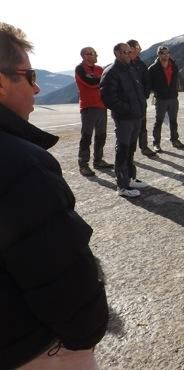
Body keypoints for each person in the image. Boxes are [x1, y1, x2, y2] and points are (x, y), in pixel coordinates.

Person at [0, 22, 108, 369]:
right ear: (1, 84)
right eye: (29, 76)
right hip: (32, 349)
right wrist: (85, 335)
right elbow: (62, 270)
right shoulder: (20, 165)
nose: (37, 87)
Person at [100, 43, 148, 197]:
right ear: (117, 53)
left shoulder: (131, 68)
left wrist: (140, 107)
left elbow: (138, 90)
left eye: (130, 51)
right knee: (122, 150)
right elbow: (107, 98)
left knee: (131, 149)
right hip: (124, 119)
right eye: (125, 52)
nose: (129, 54)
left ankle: (130, 178)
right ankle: (122, 186)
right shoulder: (111, 72)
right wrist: (126, 109)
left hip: (136, 117)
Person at [75, 46, 113, 176]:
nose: (96, 55)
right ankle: (83, 165)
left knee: (101, 135)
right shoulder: (80, 69)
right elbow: (89, 83)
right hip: (88, 107)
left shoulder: (99, 69)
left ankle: (98, 160)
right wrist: (102, 81)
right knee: (86, 137)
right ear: (86, 55)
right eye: (94, 53)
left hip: (101, 106)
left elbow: (103, 83)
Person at [148, 45, 184, 151]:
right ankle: (156, 143)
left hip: (173, 98)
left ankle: (175, 140)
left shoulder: (174, 66)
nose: (166, 55)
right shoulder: (153, 68)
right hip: (161, 99)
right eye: (163, 53)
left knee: (173, 120)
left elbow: (178, 78)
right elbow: (149, 84)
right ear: (159, 54)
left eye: (167, 53)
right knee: (158, 121)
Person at [128, 39, 156, 157]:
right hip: (128, 103)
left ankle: (144, 147)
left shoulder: (140, 63)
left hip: (141, 101)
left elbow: (147, 80)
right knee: (128, 128)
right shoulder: (125, 63)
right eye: (138, 46)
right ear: (132, 48)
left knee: (142, 126)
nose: (140, 48)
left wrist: (145, 93)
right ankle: (128, 152)